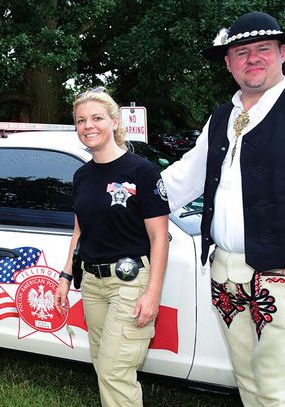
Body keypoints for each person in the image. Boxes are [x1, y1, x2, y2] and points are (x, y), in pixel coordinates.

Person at [161, 11, 285, 406]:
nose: (253, 58)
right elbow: (185, 177)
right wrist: (126, 193)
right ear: (229, 63)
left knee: (276, 382)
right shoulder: (221, 118)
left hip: (279, 271)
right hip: (225, 270)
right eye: (242, 52)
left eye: (263, 49)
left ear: (282, 53)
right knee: (246, 375)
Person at [54, 88, 170, 406]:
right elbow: (80, 230)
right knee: (102, 364)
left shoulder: (142, 171)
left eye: (96, 118)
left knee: (114, 371)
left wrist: (153, 294)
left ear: (115, 122)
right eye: (81, 120)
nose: (88, 126)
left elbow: (160, 237)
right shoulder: (81, 176)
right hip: (92, 284)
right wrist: (66, 275)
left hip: (129, 284)